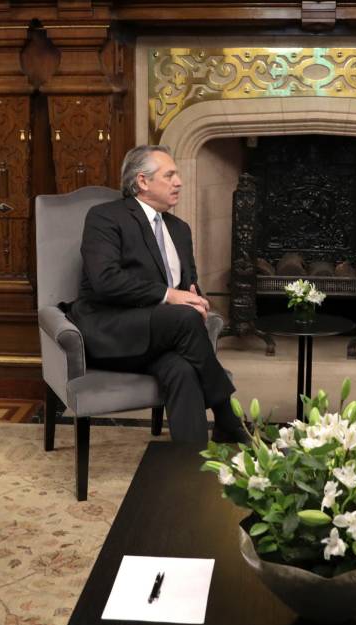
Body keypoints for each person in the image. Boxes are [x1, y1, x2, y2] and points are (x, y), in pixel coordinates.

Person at [68, 144, 243, 442]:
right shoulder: (105, 217)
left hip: (160, 336)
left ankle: (192, 462)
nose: (179, 182)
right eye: (170, 175)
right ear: (143, 181)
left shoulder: (180, 229)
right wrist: (170, 296)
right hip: (112, 332)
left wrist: (196, 298)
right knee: (184, 319)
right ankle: (227, 417)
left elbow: (187, 286)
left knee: (182, 370)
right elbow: (105, 280)